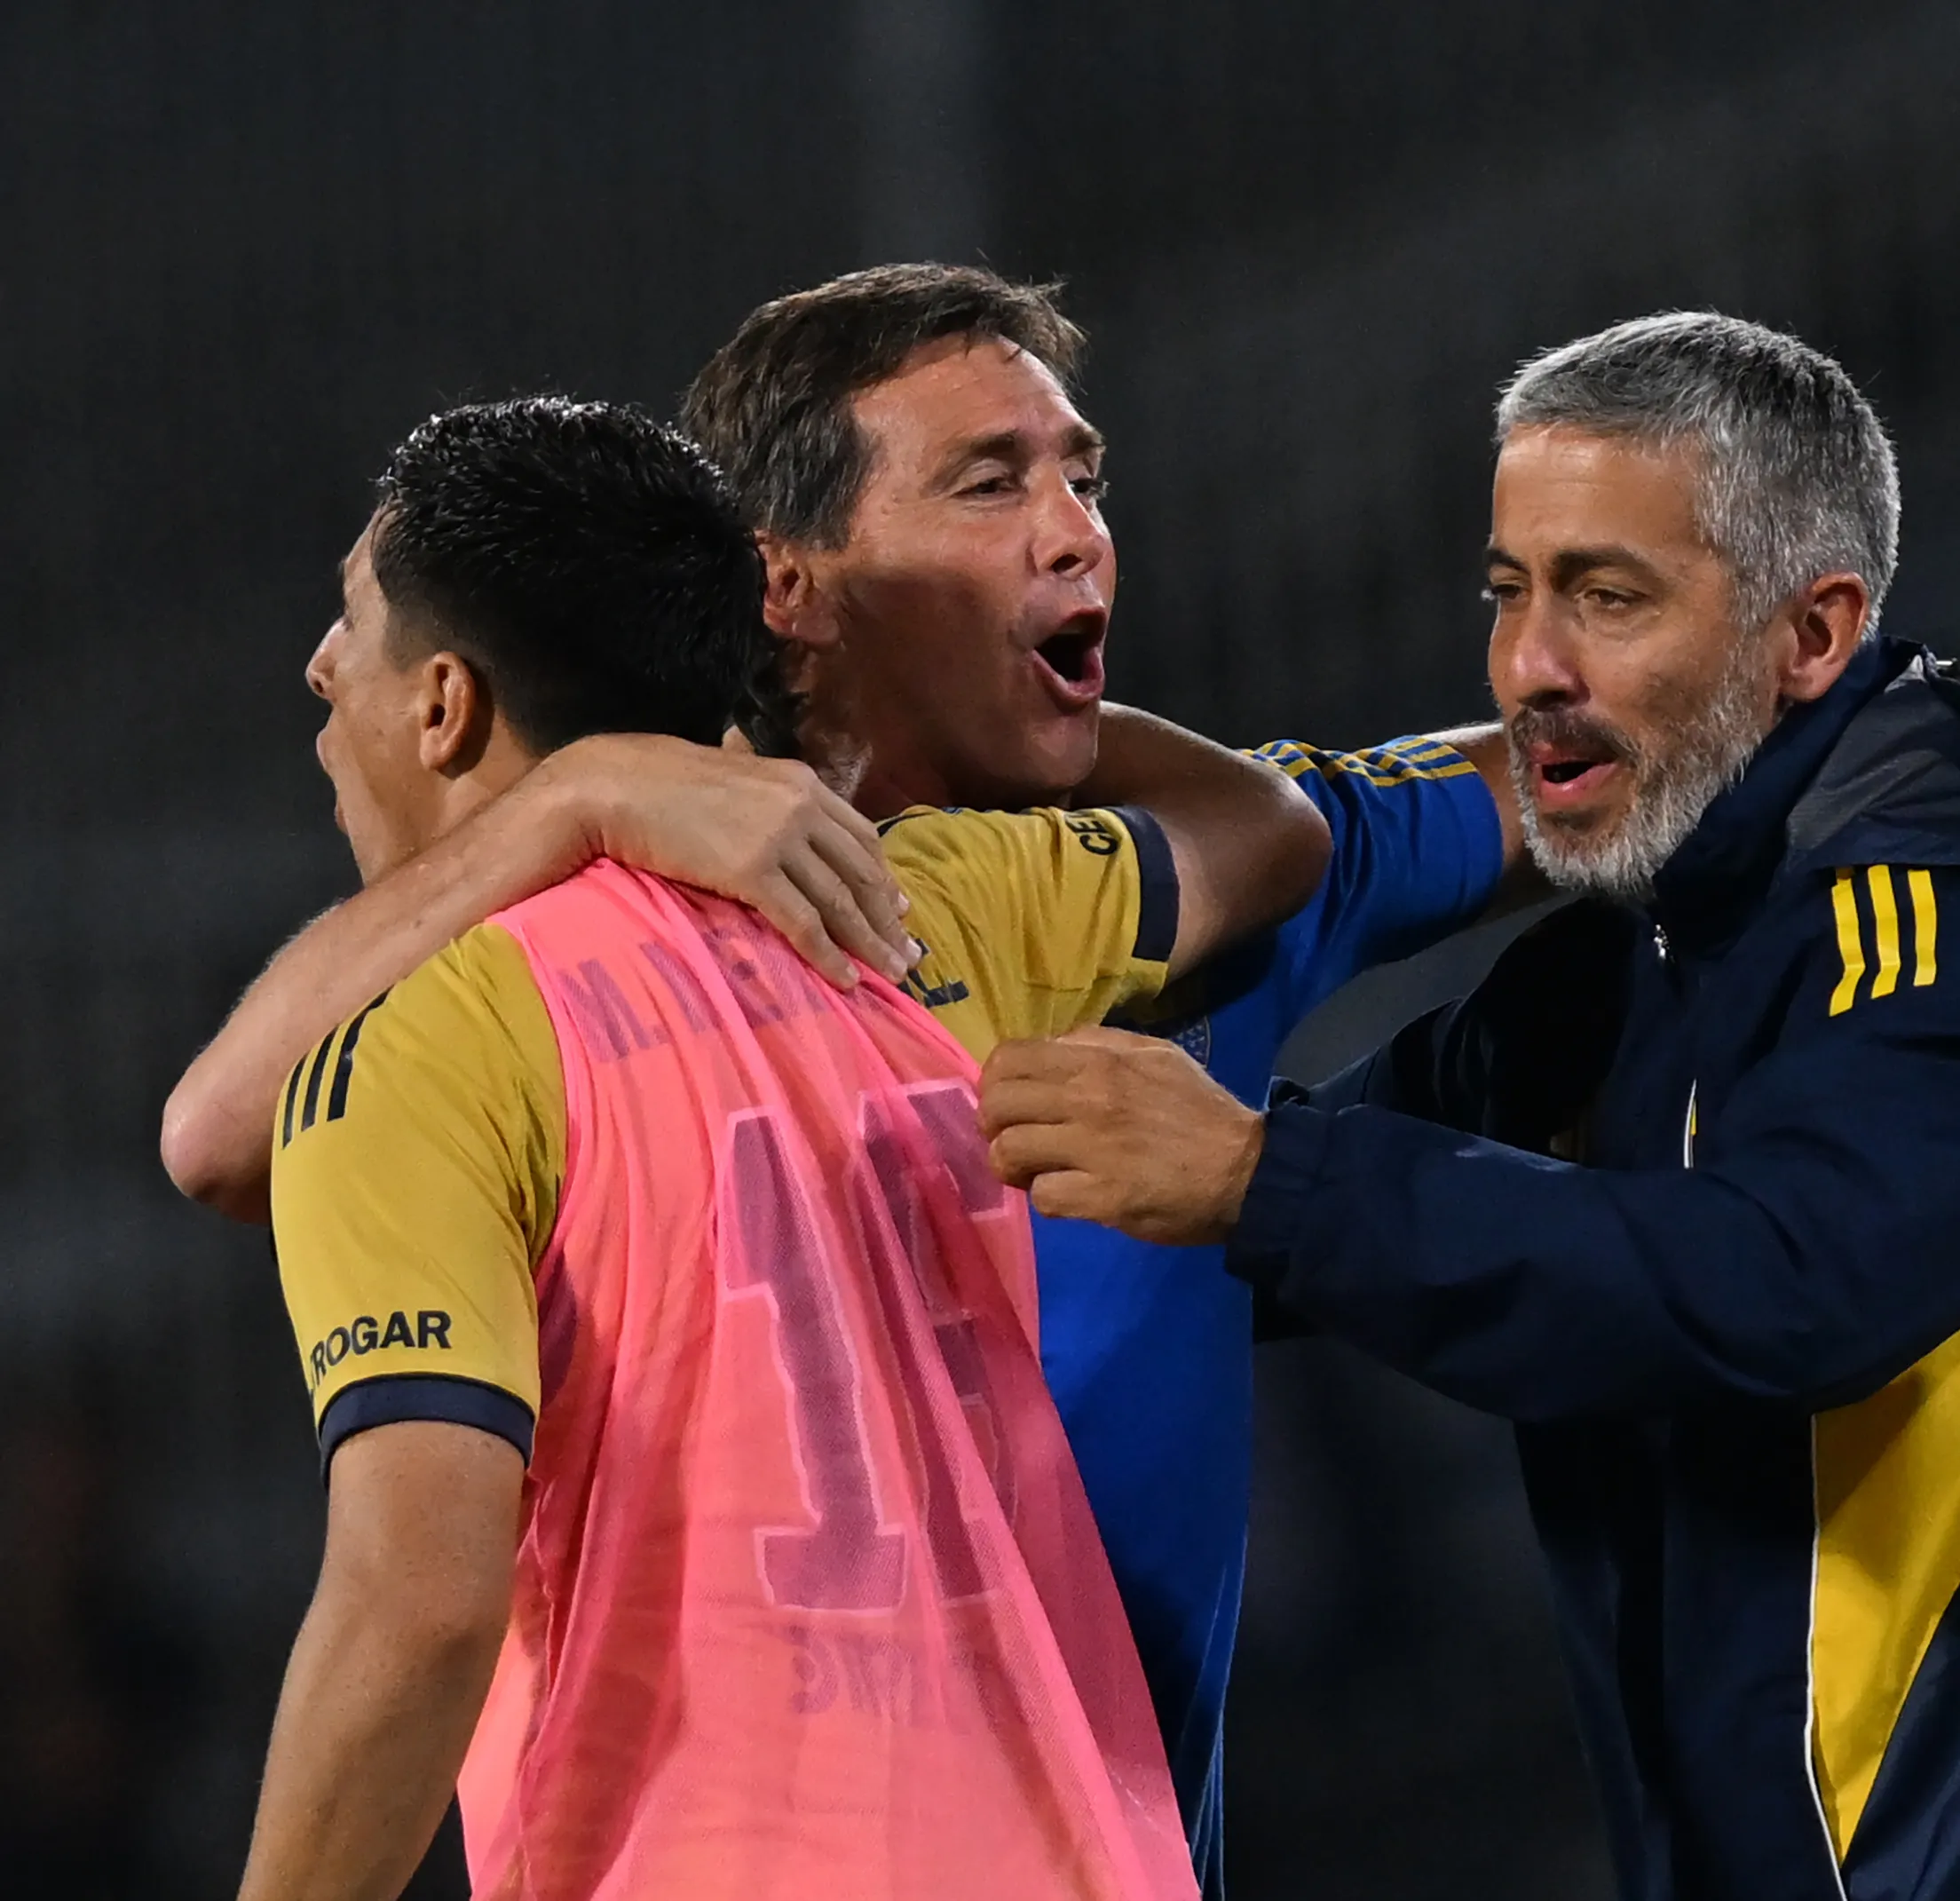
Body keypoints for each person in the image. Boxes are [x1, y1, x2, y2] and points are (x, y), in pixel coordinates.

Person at [163, 262, 1522, 1888]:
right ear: (779, 589)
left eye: (1080, 476)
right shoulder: (980, 914)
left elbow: (408, 1557)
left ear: (445, 700)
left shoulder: (458, 1022)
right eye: (990, 481)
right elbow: (1283, 829)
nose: (1076, 527)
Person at [977, 311, 1960, 1900]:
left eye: (1607, 597)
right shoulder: (1649, 951)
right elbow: (1318, 1176)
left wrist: (1261, 1182)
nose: (1527, 671)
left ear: (1812, 632)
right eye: (1510, 591)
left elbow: (1779, 1285)